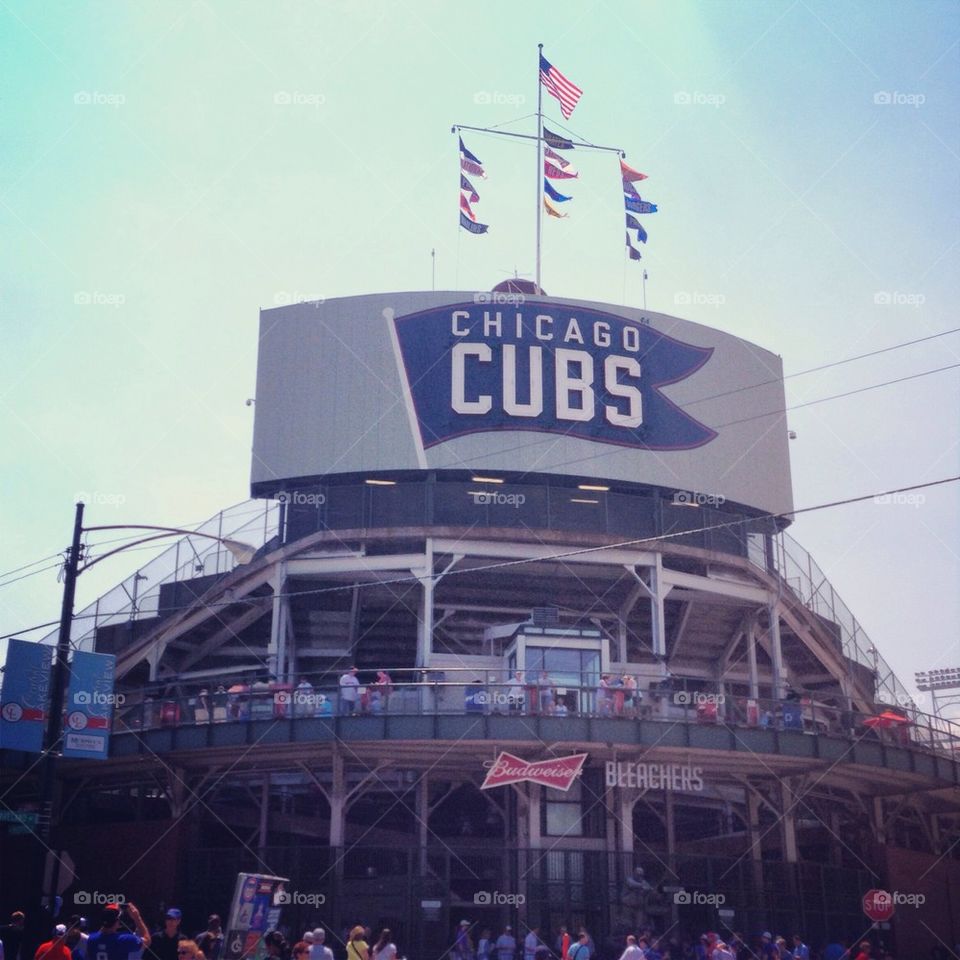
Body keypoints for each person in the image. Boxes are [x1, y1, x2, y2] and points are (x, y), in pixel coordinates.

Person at [86, 904, 151, 960]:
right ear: (117, 921)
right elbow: (147, 941)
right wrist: (137, 917)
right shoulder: (125, 940)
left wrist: (109, 912)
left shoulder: (91, 939)